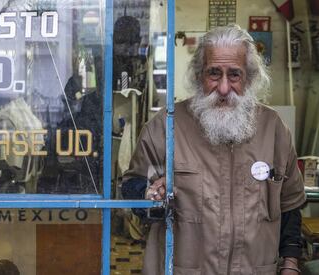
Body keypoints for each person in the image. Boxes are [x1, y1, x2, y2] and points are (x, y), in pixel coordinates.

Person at [121, 24, 306, 275]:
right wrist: (149, 195)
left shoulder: (274, 130)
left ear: (249, 78)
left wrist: (291, 264)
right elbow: (131, 186)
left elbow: (290, 205)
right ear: (199, 76)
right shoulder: (166, 126)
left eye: (234, 75)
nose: (223, 88)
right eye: (214, 74)